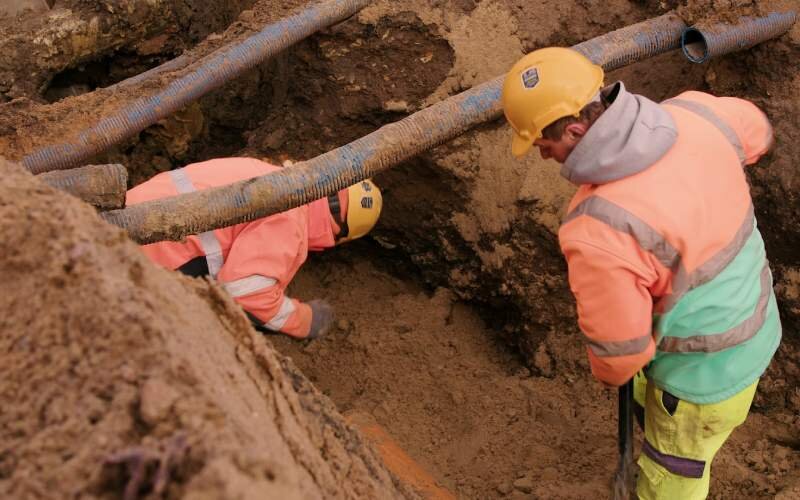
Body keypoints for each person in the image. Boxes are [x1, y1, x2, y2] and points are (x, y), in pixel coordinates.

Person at [501, 47, 780, 499]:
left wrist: (615, 370)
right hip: (757, 319)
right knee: (645, 387)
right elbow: (759, 132)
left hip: (701, 374)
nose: (542, 156)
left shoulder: (601, 227)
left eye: (543, 144)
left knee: (672, 470)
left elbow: (619, 357)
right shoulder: (694, 113)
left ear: (575, 131)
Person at [126, 157, 382, 340]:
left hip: (118, 221)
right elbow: (246, 294)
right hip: (138, 263)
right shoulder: (290, 220)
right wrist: (305, 320)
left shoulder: (265, 170)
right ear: (339, 235)